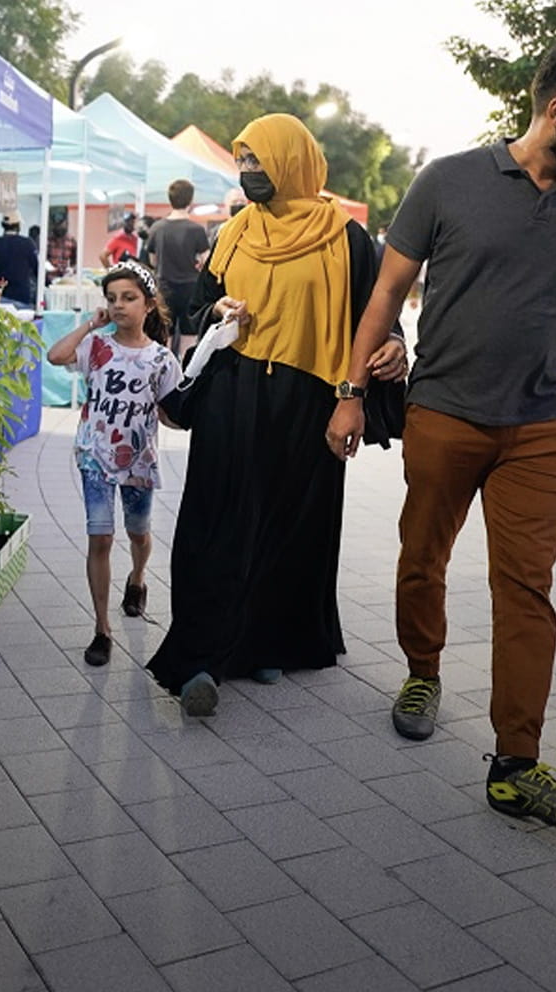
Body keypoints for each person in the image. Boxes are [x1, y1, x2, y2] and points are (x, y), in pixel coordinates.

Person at [329, 32, 556, 831]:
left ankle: (516, 765)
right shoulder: (447, 181)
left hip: (545, 426)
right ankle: (422, 671)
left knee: (526, 589)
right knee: (422, 555)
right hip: (445, 413)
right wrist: (350, 393)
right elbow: (385, 295)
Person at [146, 114, 408, 716]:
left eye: (258, 160)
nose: (248, 171)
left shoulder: (345, 238)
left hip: (309, 398)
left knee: (292, 521)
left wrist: (392, 348)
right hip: (233, 394)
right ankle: (199, 656)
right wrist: (217, 312)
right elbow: (198, 306)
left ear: (292, 162)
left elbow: (375, 313)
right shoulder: (235, 232)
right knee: (217, 518)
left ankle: (272, 643)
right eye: (243, 161)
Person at [46, 262, 182, 667]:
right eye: (111, 298)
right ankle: (102, 628)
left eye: (128, 298)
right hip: (95, 456)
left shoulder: (161, 359)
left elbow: (171, 415)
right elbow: (56, 355)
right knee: (100, 538)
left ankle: (137, 578)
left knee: (138, 533)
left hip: (139, 460)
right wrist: (91, 324)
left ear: (148, 304)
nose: (118, 305)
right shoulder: (96, 346)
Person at [147, 179, 213, 354]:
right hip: (190, 289)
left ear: (170, 199)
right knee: (188, 336)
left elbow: (153, 261)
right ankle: (184, 369)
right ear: (190, 199)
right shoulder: (196, 229)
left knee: (164, 334)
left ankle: (162, 368)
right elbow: (207, 261)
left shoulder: (157, 228)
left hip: (164, 287)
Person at [0, 212, 41, 307]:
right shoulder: (28, 244)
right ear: (18, 226)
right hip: (22, 297)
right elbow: (37, 271)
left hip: (0, 297)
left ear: (2, 225)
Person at [47, 210, 79, 279]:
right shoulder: (47, 240)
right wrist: (50, 268)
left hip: (65, 278)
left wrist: (72, 270)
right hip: (48, 278)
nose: (59, 227)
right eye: (56, 224)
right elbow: (41, 261)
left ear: (66, 223)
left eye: (61, 224)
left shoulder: (71, 241)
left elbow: (75, 262)